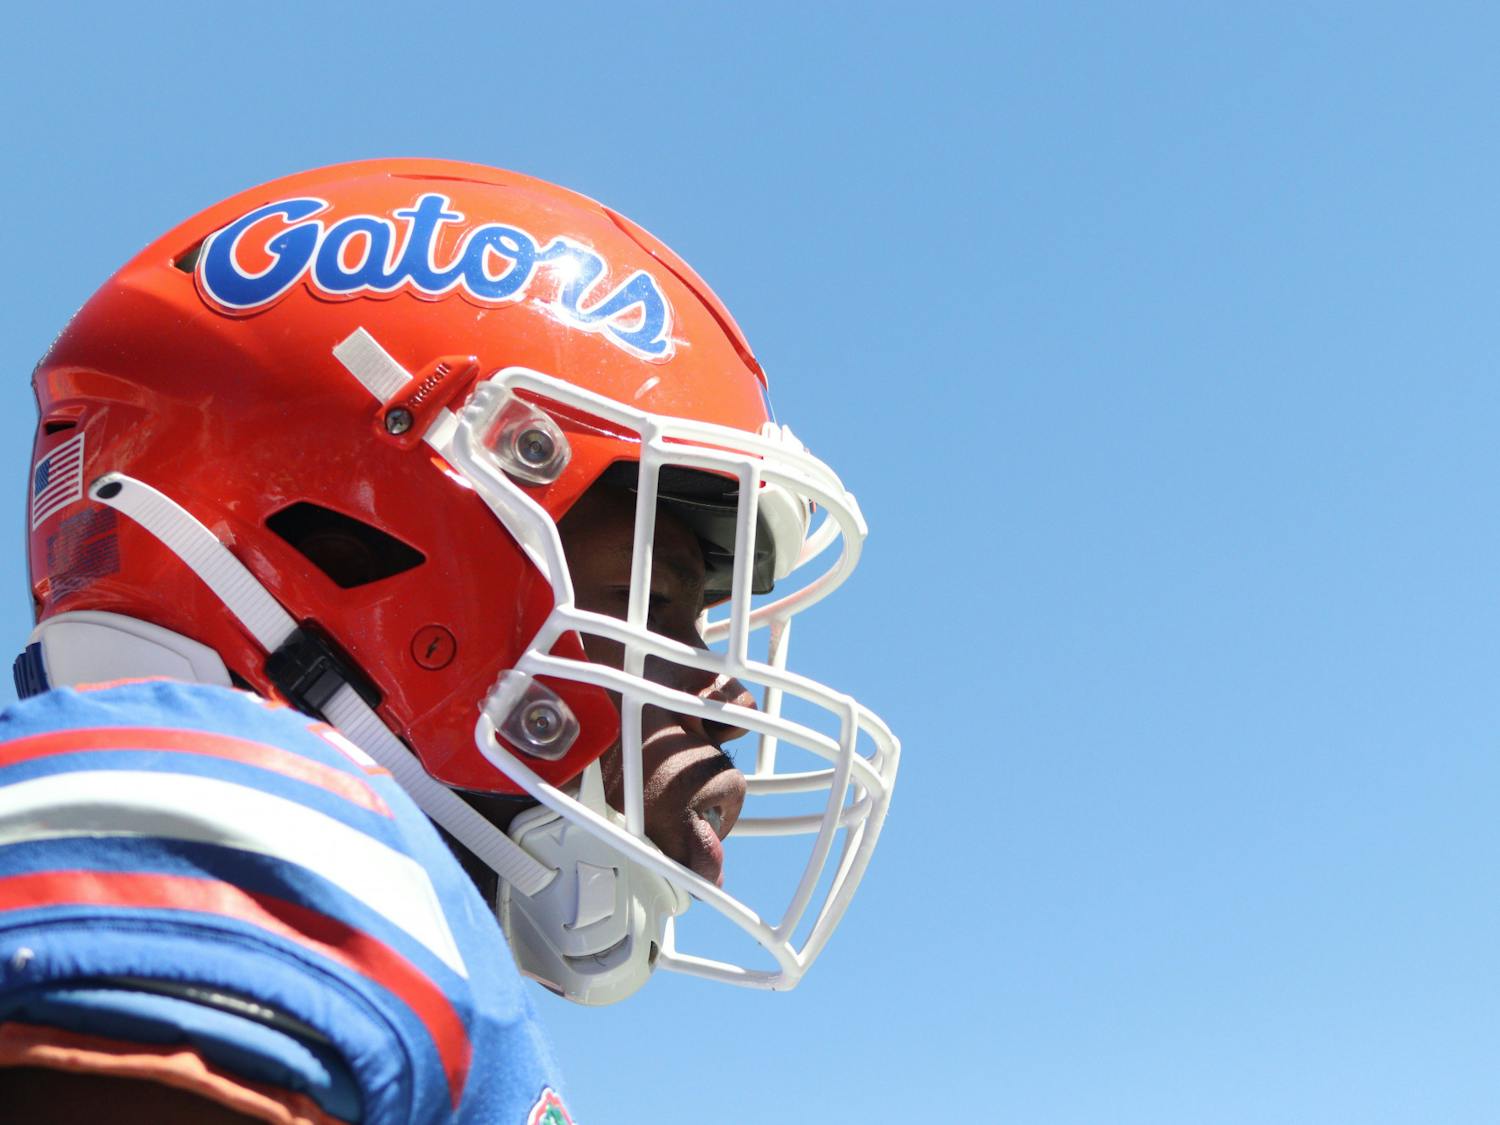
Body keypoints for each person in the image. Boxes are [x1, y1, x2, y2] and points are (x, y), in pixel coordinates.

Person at [0, 159, 900, 1122]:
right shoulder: (232, 841)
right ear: (367, 552)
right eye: (658, 595)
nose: (733, 699)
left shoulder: (405, 934)